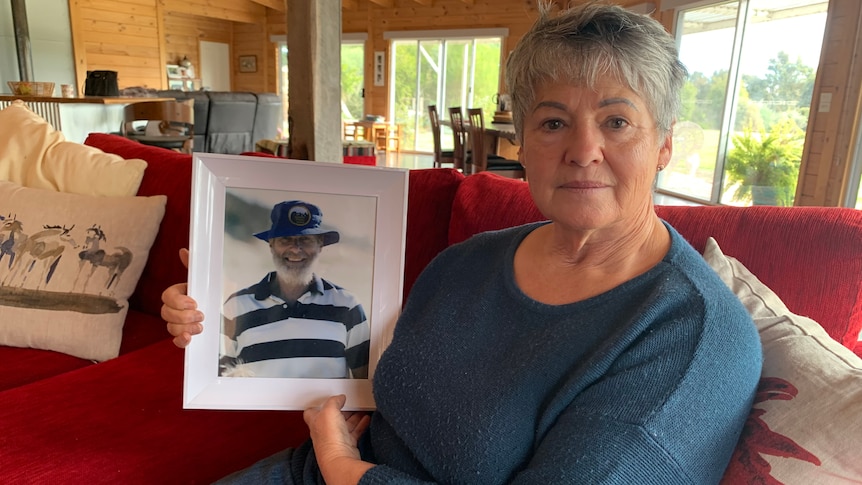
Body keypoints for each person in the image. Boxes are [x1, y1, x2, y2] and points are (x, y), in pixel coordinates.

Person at [162, 3, 762, 483]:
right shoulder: (468, 261)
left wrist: (345, 469)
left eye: (617, 121)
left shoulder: (694, 338)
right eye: (552, 122)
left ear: (663, 145)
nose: (582, 150)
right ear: (520, 146)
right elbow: (368, 375)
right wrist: (217, 301)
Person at [219, 199, 369, 379]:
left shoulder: (348, 306)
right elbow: (219, 381)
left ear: (320, 244)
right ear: (271, 244)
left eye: (305, 239)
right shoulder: (236, 306)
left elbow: (365, 385)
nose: (295, 249)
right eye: (285, 239)